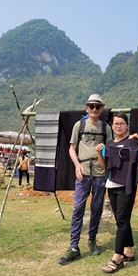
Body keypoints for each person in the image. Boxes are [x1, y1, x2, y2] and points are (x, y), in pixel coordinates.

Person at [58, 94, 113, 265]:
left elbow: (110, 149)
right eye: (91, 106)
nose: (94, 109)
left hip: (99, 173)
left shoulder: (106, 127)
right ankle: (74, 246)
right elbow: (71, 148)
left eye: (97, 106)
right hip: (83, 173)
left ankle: (92, 240)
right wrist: (76, 165)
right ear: (87, 107)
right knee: (78, 208)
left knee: (96, 208)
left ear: (102, 108)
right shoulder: (79, 125)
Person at [96, 112, 138, 273]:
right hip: (111, 185)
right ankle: (129, 250)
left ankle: (117, 257)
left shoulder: (132, 142)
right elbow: (103, 166)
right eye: (116, 123)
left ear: (127, 125)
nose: (119, 126)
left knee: (121, 221)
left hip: (126, 186)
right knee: (121, 219)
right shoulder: (108, 144)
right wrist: (98, 152)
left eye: (122, 123)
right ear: (112, 126)